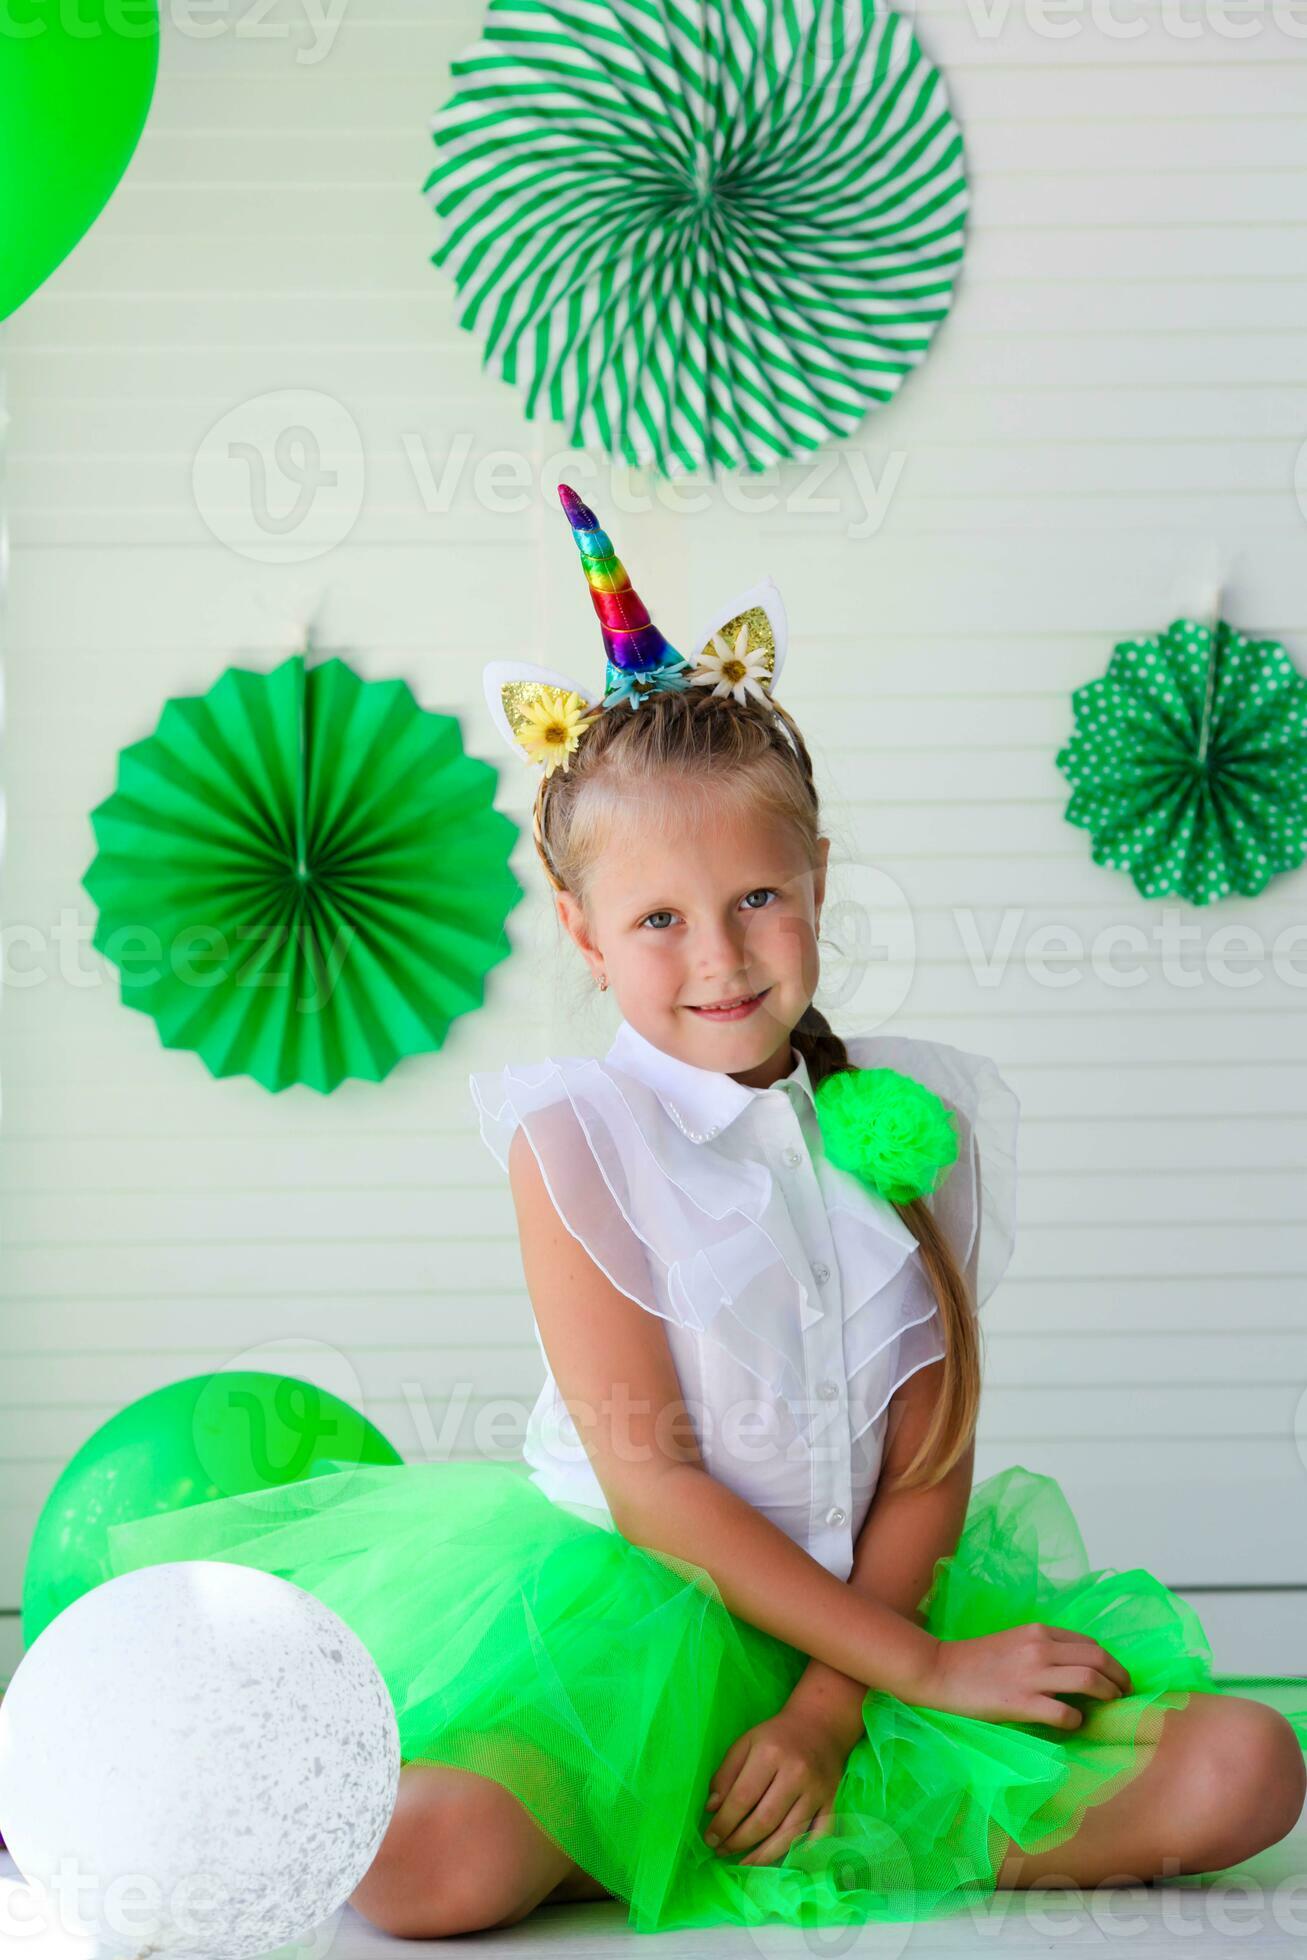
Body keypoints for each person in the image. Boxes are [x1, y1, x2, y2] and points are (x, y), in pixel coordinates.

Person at [106, 486, 1307, 1941]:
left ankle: (774, 1803)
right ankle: (661, 1800)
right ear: (584, 933)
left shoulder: (914, 1122)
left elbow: (927, 1464)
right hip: (629, 1611)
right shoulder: (576, 1139)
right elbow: (650, 1486)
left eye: (757, 898)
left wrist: (834, 1704)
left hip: (867, 1633)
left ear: (816, 884)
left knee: (1249, 1766)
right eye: (660, 919)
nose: (721, 958)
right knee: (411, 1868)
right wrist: (924, 1687)